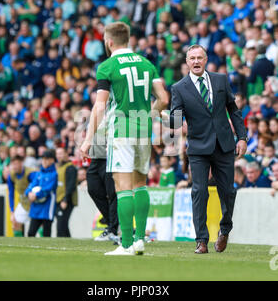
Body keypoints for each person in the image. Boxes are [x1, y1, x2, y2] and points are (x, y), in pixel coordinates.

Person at [80, 22, 168, 256]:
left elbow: (100, 106)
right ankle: (140, 240)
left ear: (109, 42)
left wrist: (88, 139)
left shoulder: (107, 66)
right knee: (140, 184)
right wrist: (150, 114)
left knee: (122, 187)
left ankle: (127, 244)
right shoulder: (147, 63)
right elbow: (163, 99)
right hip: (143, 129)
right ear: (127, 40)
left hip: (121, 130)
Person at [166, 44, 247, 254]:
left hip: (224, 145)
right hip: (198, 147)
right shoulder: (178, 88)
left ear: (205, 59)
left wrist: (243, 138)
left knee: (228, 192)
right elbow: (175, 117)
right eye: (192, 58)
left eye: (199, 57)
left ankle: (225, 229)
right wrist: (172, 123)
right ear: (186, 62)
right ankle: (201, 240)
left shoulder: (220, 79)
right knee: (199, 192)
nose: (195, 61)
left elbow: (233, 110)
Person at [86, 109, 119, 242]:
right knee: (93, 189)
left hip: (109, 158)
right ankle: (111, 220)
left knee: (112, 194)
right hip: (95, 158)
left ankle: (112, 228)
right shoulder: (96, 115)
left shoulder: (115, 114)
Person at [25, 150, 58, 237]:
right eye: (43, 159)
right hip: (36, 206)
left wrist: (36, 195)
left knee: (46, 233)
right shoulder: (38, 174)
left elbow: (47, 189)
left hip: (47, 206)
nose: (44, 161)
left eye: (47, 159)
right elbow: (31, 185)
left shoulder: (54, 174)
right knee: (31, 233)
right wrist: (29, 193)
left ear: (52, 160)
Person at [7, 155, 37, 237]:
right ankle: (18, 245)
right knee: (15, 222)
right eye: (13, 164)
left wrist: (32, 192)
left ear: (21, 163)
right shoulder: (11, 176)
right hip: (24, 202)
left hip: (35, 202)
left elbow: (38, 184)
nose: (15, 166)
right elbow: (11, 194)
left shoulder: (31, 173)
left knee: (39, 224)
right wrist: (12, 211)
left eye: (16, 164)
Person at [55, 147, 77, 237]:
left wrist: (65, 200)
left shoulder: (70, 167)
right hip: (59, 199)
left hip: (66, 200)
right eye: (57, 154)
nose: (59, 156)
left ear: (66, 154)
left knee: (61, 225)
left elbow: (71, 185)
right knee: (63, 225)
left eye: (61, 153)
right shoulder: (59, 167)